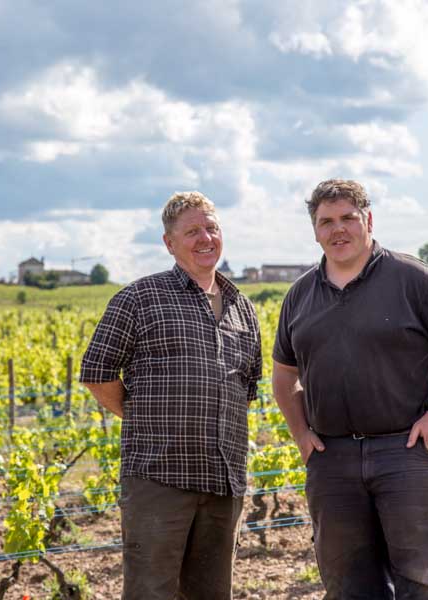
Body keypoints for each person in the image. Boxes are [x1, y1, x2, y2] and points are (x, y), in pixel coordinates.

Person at [272, 179, 428, 599]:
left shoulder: (412, 278)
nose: (338, 229)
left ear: (367, 219)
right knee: (348, 585)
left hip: (406, 454)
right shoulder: (300, 295)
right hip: (332, 461)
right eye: (326, 221)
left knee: (424, 582)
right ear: (315, 231)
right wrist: (301, 434)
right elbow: (284, 374)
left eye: (348, 218)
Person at [80, 191, 262, 600]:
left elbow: (245, 389)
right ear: (169, 242)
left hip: (223, 481)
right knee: (152, 593)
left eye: (212, 228)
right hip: (160, 479)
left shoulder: (242, 308)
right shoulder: (139, 298)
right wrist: (142, 417)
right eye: (192, 231)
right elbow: (96, 373)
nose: (205, 238)